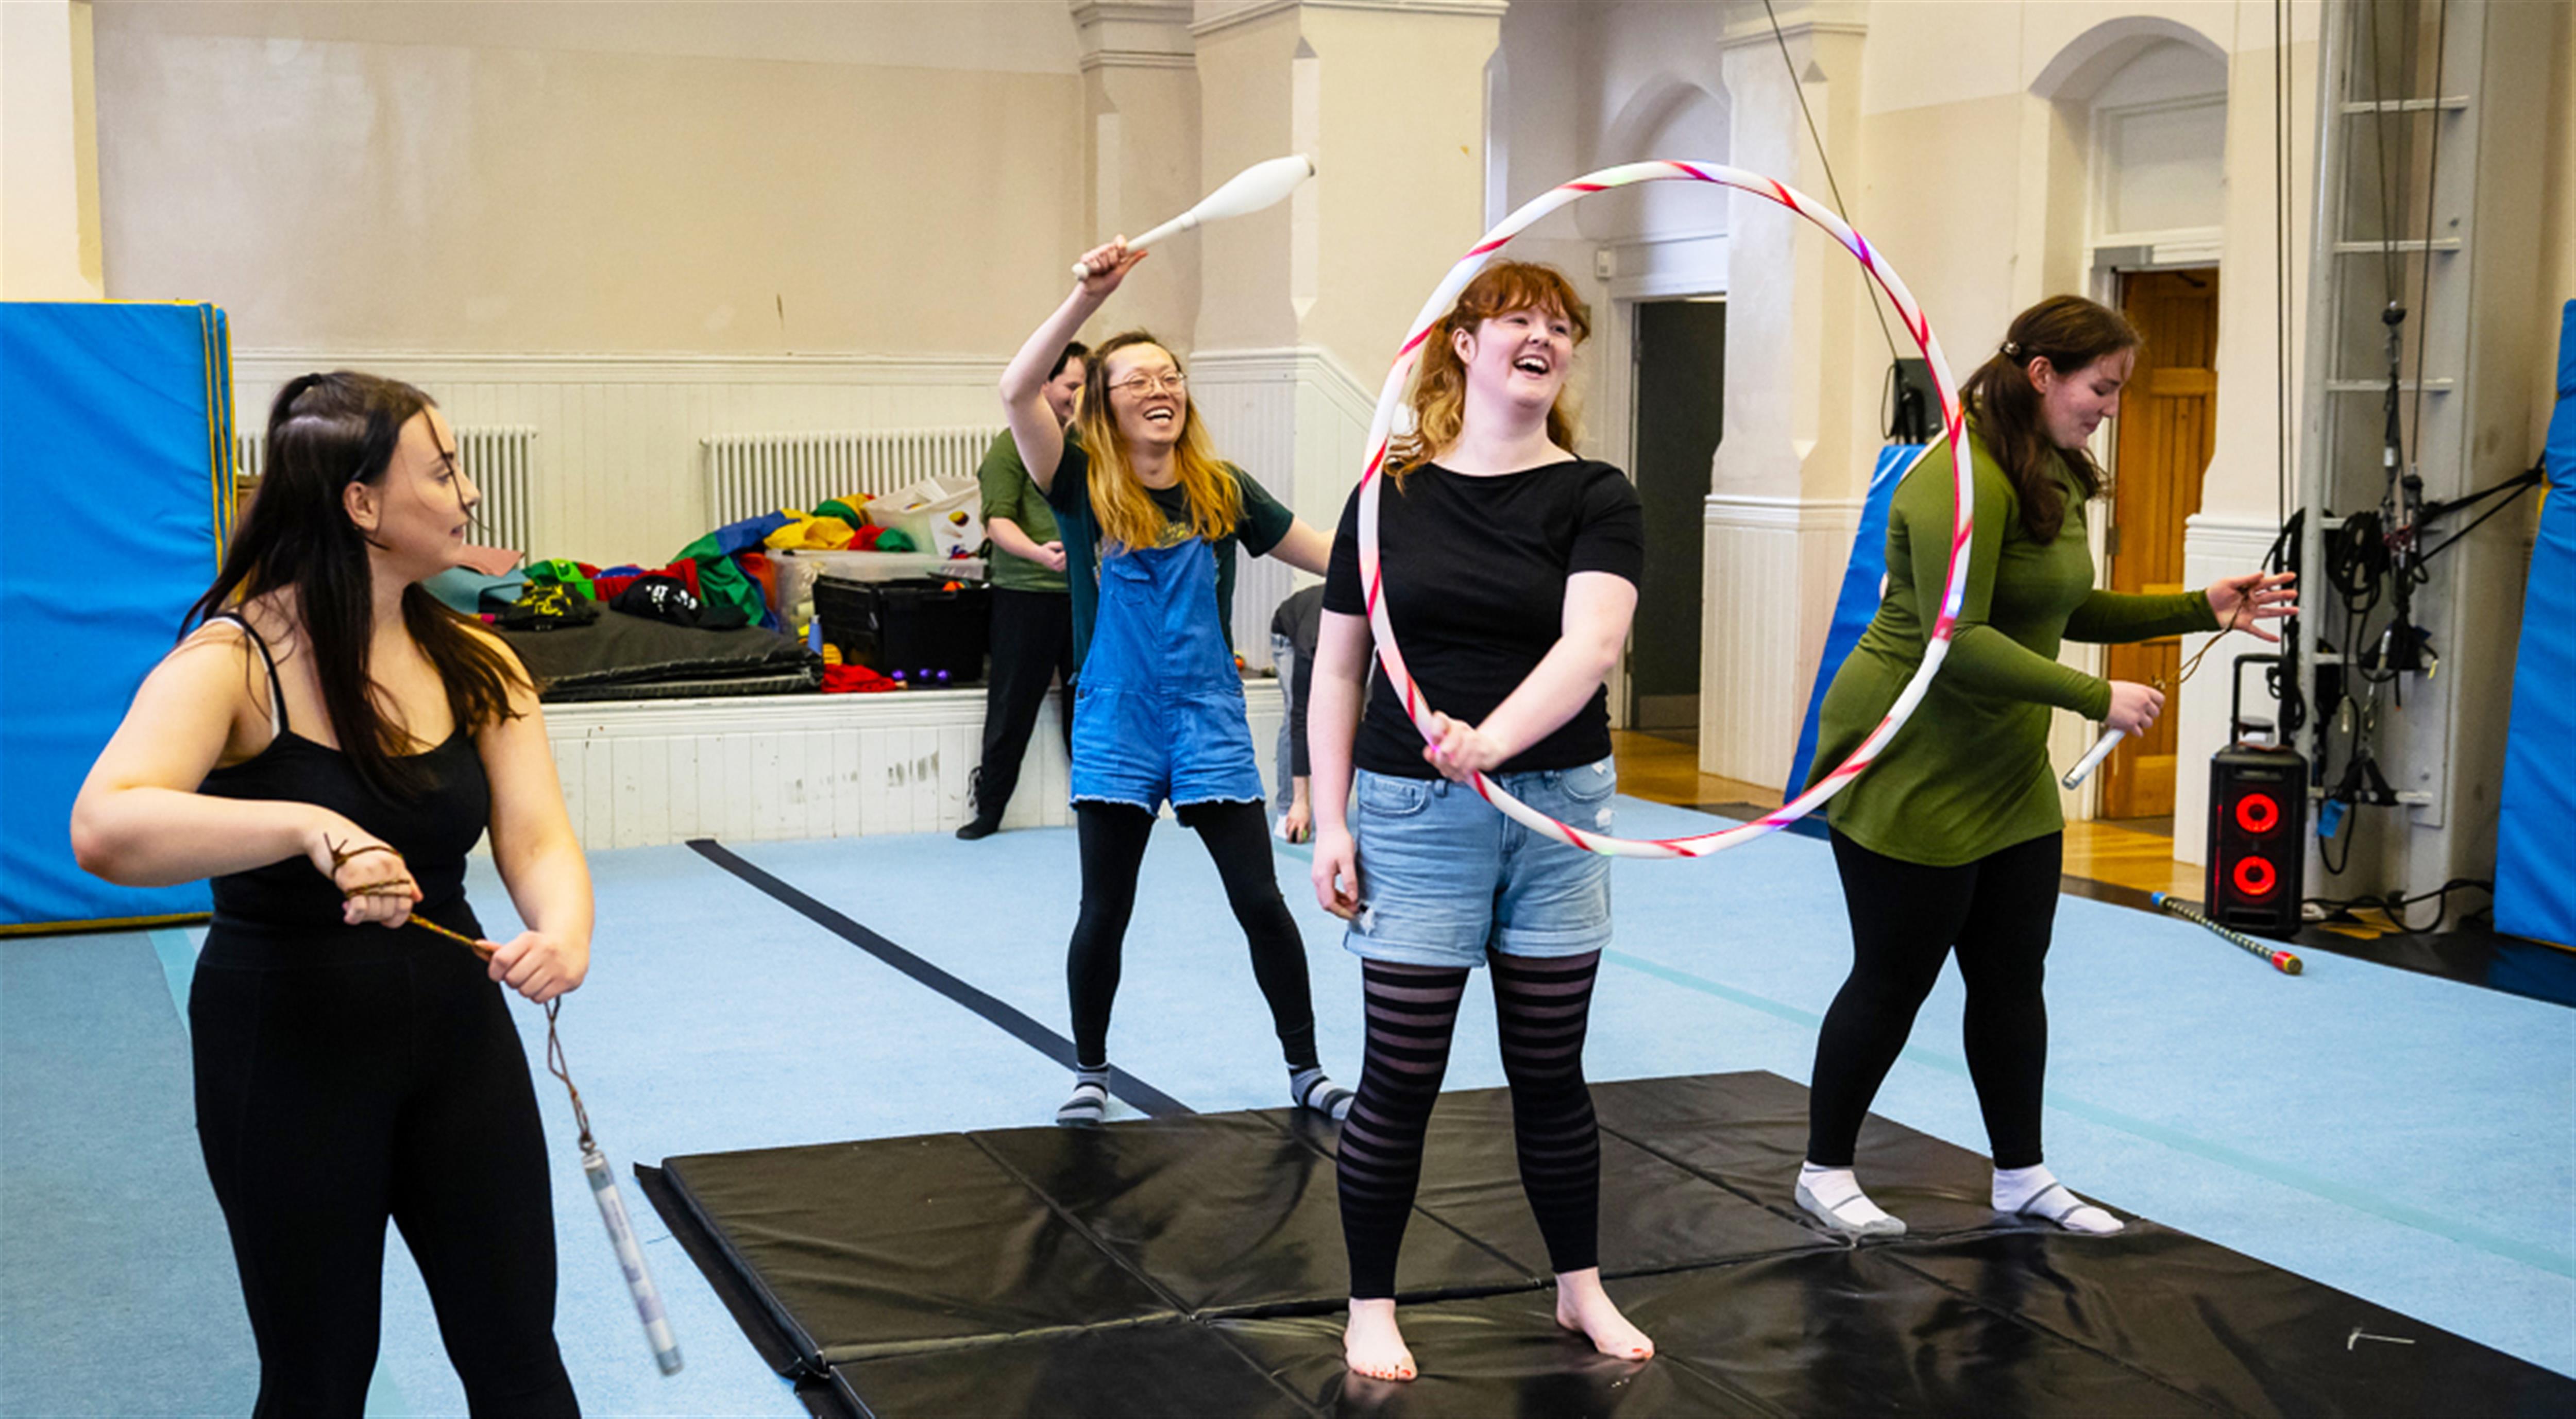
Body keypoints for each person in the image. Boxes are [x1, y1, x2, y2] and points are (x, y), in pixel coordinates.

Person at [70, 372, 593, 1415]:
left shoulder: (479, 663)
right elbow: (106, 827)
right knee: (317, 1377)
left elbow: (538, 838)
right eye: (442, 472)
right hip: (287, 1051)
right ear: (361, 503)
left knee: (519, 1363)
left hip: (458, 1043)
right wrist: (307, 825)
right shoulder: (231, 661)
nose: (468, 494)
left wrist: (565, 929)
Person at [1793, 295, 2296, 1240]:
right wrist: (2095, 696)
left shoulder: (2053, 469)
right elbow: (1956, 637)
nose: (2111, 407)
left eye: (2118, 390)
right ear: (2041, 375)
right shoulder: (1957, 479)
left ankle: (2020, 1173)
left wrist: (2201, 607)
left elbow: (2061, 607)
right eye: (2100, 387)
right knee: (1895, 977)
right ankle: (1824, 1169)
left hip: (2004, 762)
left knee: (2012, 974)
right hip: (1910, 756)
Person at [1308, 261, 1652, 1382]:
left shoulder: (1596, 494)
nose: (1543, 337)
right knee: (1401, 1077)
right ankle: (1369, 1305)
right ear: (1463, 343)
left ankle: (1578, 1288)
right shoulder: (1387, 496)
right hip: (1414, 814)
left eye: (1561, 325)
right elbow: (1339, 668)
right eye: (1519, 320)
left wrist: (1493, 742)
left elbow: (1593, 645)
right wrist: (1330, 819)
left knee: (1551, 1072)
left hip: (1557, 811)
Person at [1000, 238, 1351, 1127]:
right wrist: (1089, 298)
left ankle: (1308, 1070)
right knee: (1104, 910)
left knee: (1260, 901)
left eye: (1171, 377)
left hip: (1207, 717)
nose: (1161, 389)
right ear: (1103, 403)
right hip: (1116, 717)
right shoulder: (1078, 483)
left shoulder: (1223, 489)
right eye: (1138, 380)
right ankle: (1090, 1072)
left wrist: (1410, 556)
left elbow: (1330, 555)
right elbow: (1016, 389)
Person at [960, 340, 1087, 840]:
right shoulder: (1008, 447)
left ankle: (1098, 808)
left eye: (1085, 387)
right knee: (1012, 707)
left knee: (1089, 706)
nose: (1078, 396)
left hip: (1082, 595)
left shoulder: (1089, 445)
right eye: (1071, 386)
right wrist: (1039, 553)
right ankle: (990, 809)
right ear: (1044, 385)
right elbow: (997, 523)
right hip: (1025, 593)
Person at [1269, 583, 1326, 843]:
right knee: (1297, 707)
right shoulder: (1312, 636)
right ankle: (1287, 808)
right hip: (1288, 634)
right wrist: (1302, 801)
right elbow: (1301, 716)